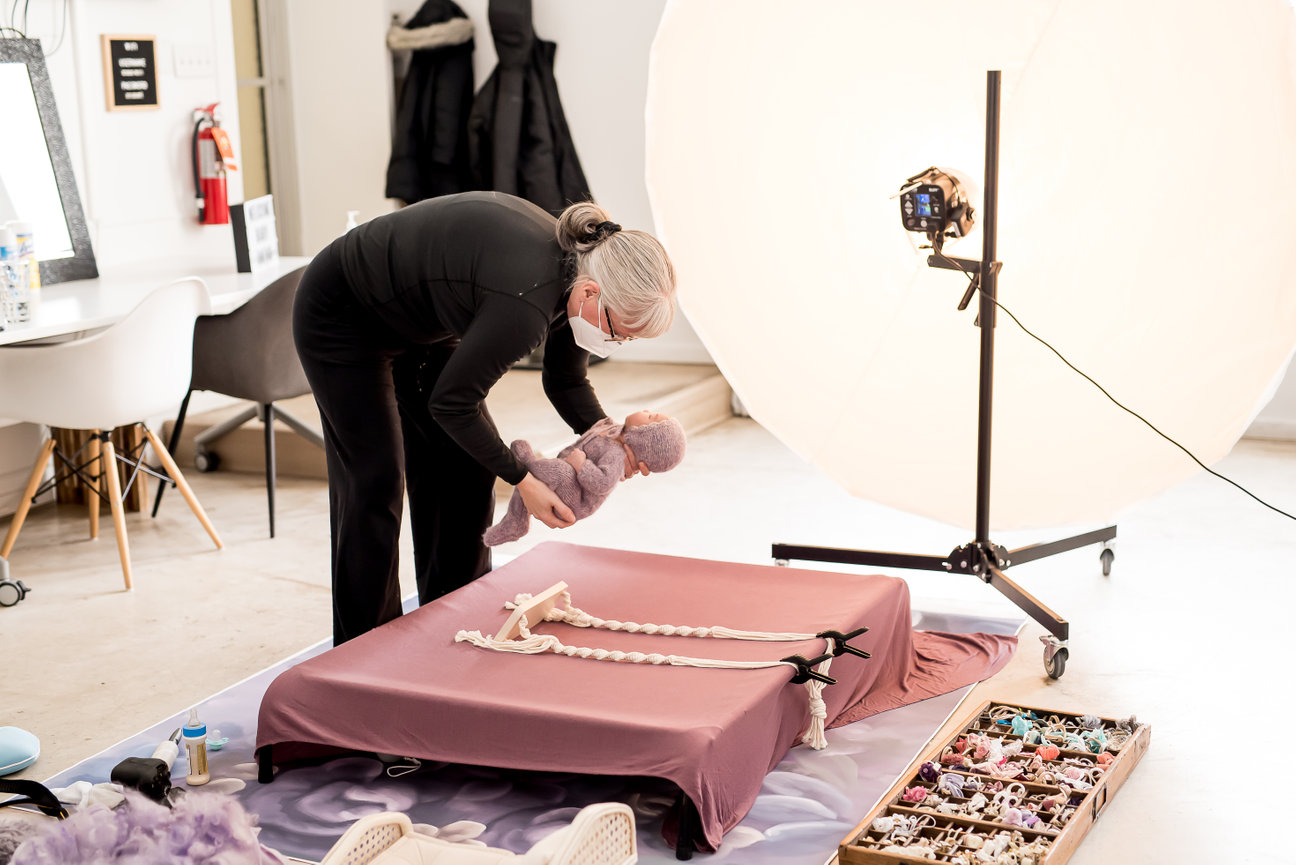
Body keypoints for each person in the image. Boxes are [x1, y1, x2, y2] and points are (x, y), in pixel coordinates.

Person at [292, 191, 677, 644]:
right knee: (374, 479)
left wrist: (613, 441)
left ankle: (452, 615)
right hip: (343, 311)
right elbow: (452, 404)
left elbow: (566, 382)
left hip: (420, 321)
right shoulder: (527, 304)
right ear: (593, 294)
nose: (617, 343)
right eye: (620, 333)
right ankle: (363, 647)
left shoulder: (585, 277)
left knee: (465, 468)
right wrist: (523, 480)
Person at [484, 410, 686, 546]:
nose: (647, 411)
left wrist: (582, 464)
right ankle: (516, 519)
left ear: (640, 437)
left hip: (576, 499)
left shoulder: (616, 454)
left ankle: (527, 472)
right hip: (566, 475)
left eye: (651, 417)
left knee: (558, 472)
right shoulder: (611, 430)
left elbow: (602, 484)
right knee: (533, 460)